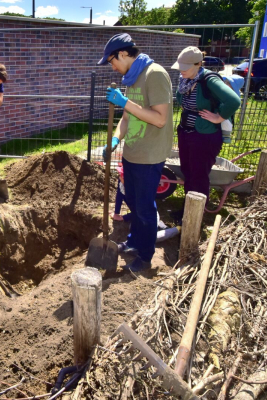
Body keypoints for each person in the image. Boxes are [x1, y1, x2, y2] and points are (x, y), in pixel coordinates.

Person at [98, 33, 173, 272]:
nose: (112, 67)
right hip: (132, 152)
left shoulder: (156, 75)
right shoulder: (132, 77)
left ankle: (146, 256)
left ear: (122, 54)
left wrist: (123, 102)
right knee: (133, 202)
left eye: (112, 61)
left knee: (145, 209)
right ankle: (133, 243)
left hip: (150, 155)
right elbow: (128, 117)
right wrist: (116, 138)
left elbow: (160, 119)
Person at [171, 47, 241, 219]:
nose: (181, 70)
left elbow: (233, 101)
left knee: (199, 176)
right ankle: (188, 209)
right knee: (188, 172)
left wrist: (219, 117)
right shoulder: (186, 79)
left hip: (204, 137)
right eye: (180, 66)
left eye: (185, 67)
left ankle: (196, 216)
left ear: (198, 64)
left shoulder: (209, 80)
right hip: (186, 133)